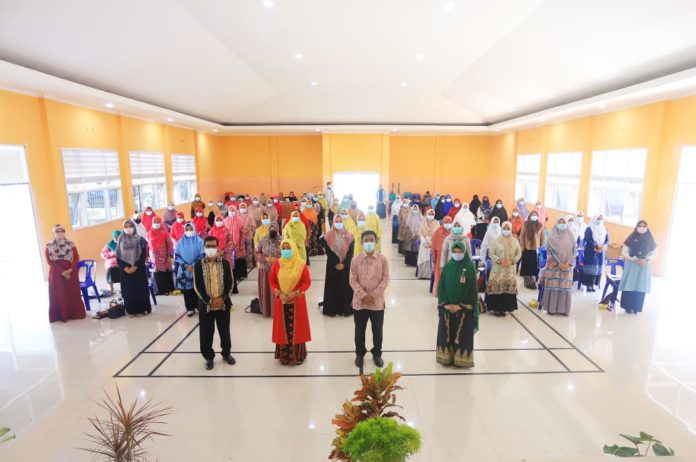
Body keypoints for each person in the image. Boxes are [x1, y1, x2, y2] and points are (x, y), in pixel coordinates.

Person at [192, 236, 236, 370]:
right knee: (206, 334)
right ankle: (209, 357)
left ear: (217, 247)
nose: (210, 248)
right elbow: (197, 286)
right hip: (206, 306)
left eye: (213, 246)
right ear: (204, 248)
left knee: (225, 332)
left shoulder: (225, 264)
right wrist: (209, 301)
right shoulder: (198, 265)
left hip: (223, 305)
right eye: (208, 246)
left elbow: (230, 284)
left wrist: (222, 299)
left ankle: (226, 353)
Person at [350, 230, 390, 368]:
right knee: (359, 330)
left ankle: (377, 353)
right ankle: (359, 354)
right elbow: (352, 280)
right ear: (361, 242)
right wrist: (363, 295)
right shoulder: (356, 260)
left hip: (377, 303)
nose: (368, 243)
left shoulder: (383, 259)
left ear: (376, 241)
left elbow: (385, 279)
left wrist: (373, 295)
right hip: (359, 303)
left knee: (377, 330)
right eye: (366, 240)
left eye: (371, 240)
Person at [436, 241, 479, 368]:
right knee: (445, 327)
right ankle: (446, 357)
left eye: (460, 252)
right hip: (447, 307)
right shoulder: (448, 266)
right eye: (455, 252)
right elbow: (441, 287)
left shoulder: (470, 267)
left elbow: (472, 289)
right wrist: (445, 304)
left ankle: (462, 359)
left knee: (463, 329)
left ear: (464, 252)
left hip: (464, 308)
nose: (457, 254)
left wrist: (461, 305)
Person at [270, 239, 312, 365]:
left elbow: (307, 282)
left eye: (288, 248)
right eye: (284, 248)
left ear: (294, 249)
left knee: (297, 329)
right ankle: (284, 356)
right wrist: (279, 293)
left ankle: (298, 355)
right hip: (281, 300)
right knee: (282, 329)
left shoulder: (301, 264)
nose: (286, 250)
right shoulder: (277, 263)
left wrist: (297, 293)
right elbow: (272, 281)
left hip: (297, 301)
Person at [45, 224, 85, 322]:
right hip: (56, 274)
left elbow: (76, 258)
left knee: (72, 293)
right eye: (57, 231)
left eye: (62, 231)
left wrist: (69, 270)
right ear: (53, 233)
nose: (60, 233)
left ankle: (75, 314)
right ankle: (61, 315)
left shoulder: (71, 244)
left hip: (71, 272)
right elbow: (49, 261)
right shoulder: (49, 246)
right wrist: (62, 272)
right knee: (59, 294)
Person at [619, 220, 657, 314]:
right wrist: (634, 259)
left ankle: (636, 308)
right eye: (640, 226)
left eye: (644, 226)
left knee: (640, 286)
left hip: (643, 266)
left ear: (647, 227)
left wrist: (646, 260)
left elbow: (654, 254)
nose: (641, 228)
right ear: (636, 227)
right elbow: (624, 252)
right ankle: (627, 307)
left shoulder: (650, 239)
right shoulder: (631, 238)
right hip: (632, 265)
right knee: (630, 284)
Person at [320, 215, 355, 317]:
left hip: (346, 265)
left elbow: (350, 252)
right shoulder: (328, 236)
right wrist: (336, 263)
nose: (339, 223)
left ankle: (345, 308)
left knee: (345, 286)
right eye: (337, 221)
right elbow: (328, 252)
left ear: (343, 222)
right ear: (333, 222)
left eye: (340, 221)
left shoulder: (349, 236)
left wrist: (344, 263)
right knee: (333, 286)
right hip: (332, 265)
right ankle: (332, 309)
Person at [486, 221, 522, 316]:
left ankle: (506, 307)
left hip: (510, 269)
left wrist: (512, 261)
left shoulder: (515, 241)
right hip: (498, 268)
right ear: (501, 229)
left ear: (511, 229)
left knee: (507, 286)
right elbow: (491, 253)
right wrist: (499, 261)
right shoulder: (496, 240)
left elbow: (519, 253)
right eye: (504, 228)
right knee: (497, 286)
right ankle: (496, 309)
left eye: (508, 228)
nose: (506, 230)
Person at [543, 217, 577, 316]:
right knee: (553, 286)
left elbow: (575, 250)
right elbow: (549, 251)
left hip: (567, 267)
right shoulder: (551, 236)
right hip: (553, 266)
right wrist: (558, 263)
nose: (562, 224)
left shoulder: (570, 234)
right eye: (560, 222)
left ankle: (564, 309)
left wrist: (569, 263)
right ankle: (551, 308)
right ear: (556, 223)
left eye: (563, 222)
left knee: (564, 286)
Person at [117, 219, 151, 316]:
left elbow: (143, 255)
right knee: (129, 291)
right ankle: (131, 310)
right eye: (126, 227)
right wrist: (125, 268)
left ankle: (142, 309)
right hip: (125, 272)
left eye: (130, 226)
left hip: (138, 269)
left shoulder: (140, 240)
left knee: (140, 289)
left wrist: (136, 266)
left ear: (134, 227)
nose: (128, 228)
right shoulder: (120, 240)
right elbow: (118, 256)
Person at [175, 222, 205, 317]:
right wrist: (185, 266)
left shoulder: (200, 242)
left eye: (190, 229)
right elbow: (177, 256)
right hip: (184, 270)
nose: (189, 231)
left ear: (194, 229)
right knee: (187, 291)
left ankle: (198, 306)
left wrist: (193, 265)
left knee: (197, 288)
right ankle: (190, 308)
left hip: (196, 268)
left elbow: (202, 255)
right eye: (187, 229)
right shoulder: (180, 242)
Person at [255, 222, 282, 317]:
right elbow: (257, 251)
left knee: (276, 290)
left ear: (278, 229)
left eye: (274, 229)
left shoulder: (282, 241)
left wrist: (276, 259)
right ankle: (267, 310)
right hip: (265, 270)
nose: (272, 231)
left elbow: (287, 254)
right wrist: (265, 258)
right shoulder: (263, 240)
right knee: (266, 290)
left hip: (278, 270)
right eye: (271, 229)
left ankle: (277, 311)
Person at [147, 216, 175, 295]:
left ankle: (168, 289)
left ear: (161, 223)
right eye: (154, 222)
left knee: (166, 271)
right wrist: (147, 257)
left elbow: (170, 244)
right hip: (154, 257)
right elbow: (147, 246)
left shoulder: (165, 232)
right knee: (156, 273)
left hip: (164, 256)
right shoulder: (149, 233)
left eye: (158, 222)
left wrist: (169, 255)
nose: (156, 224)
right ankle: (158, 290)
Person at [582, 214, 609, 292]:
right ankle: (588, 285)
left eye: (601, 218)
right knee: (591, 267)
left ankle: (593, 284)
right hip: (591, 251)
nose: (599, 220)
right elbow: (588, 239)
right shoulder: (589, 228)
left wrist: (603, 246)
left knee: (598, 268)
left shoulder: (604, 228)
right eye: (598, 218)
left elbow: (607, 240)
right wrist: (596, 246)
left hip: (600, 252)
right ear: (594, 219)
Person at [520, 210, 545, 289]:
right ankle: (527, 280)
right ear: (530, 216)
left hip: (535, 249)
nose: (534, 216)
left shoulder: (540, 225)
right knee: (526, 264)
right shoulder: (525, 224)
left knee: (533, 265)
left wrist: (541, 246)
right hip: (526, 248)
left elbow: (542, 237)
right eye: (533, 215)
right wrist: (522, 246)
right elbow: (522, 236)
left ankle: (532, 280)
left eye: (535, 215)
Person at [224, 205, 247, 281]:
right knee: (230, 259)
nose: (231, 212)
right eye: (230, 210)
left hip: (238, 242)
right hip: (229, 243)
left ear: (236, 211)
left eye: (233, 210)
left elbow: (242, 232)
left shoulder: (240, 220)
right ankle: (231, 274)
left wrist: (241, 243)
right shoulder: (225, 220)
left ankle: (239, 275)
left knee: (238, 258)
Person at [431, 216, 452, 296]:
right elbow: (433, 245)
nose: (448, 224)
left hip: (451, 257)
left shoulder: (453, 232)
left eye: (450, 222)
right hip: (440, 257)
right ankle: (439, 292)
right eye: (446, 222)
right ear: (443, 223)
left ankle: (449, 292)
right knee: (439, 274)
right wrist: (434, 256)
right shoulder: (438, 232)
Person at [417, 208, 439, 279]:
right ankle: (423, 275)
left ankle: (432, 275)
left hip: (434, 243)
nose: (431, 215)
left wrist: (432, 243)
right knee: (424, 258)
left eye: (432, 214)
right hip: (424, 244)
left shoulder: (437, 223)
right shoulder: (423, 223)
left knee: (432, 259)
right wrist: (424, 242)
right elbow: (420, 234)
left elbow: (438, 234)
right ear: (427, 214)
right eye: (429, 214)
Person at [100, 230, 122, 294]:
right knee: (110, 270)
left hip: (122, 262)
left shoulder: (125, 243)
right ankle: (110, 289)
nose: (117, 238)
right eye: (115, 237)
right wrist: (113, 253)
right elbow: (103, 254)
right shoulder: (109, 244)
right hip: (112, 264)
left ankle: (124, 288)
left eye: (118, 237)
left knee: (124, 269)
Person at [239, 203, 257, 270]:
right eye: (241, 207)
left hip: (248, 235)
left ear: (246, 207)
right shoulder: (237, 215)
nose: (242, 209)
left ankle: (249, 265)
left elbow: (253, 225)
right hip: (239, 236)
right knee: (241, 251)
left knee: (249, 251)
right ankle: (242, 265)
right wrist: (241, 230)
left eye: (244, 207)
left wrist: (247, 229)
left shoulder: (250, 215)